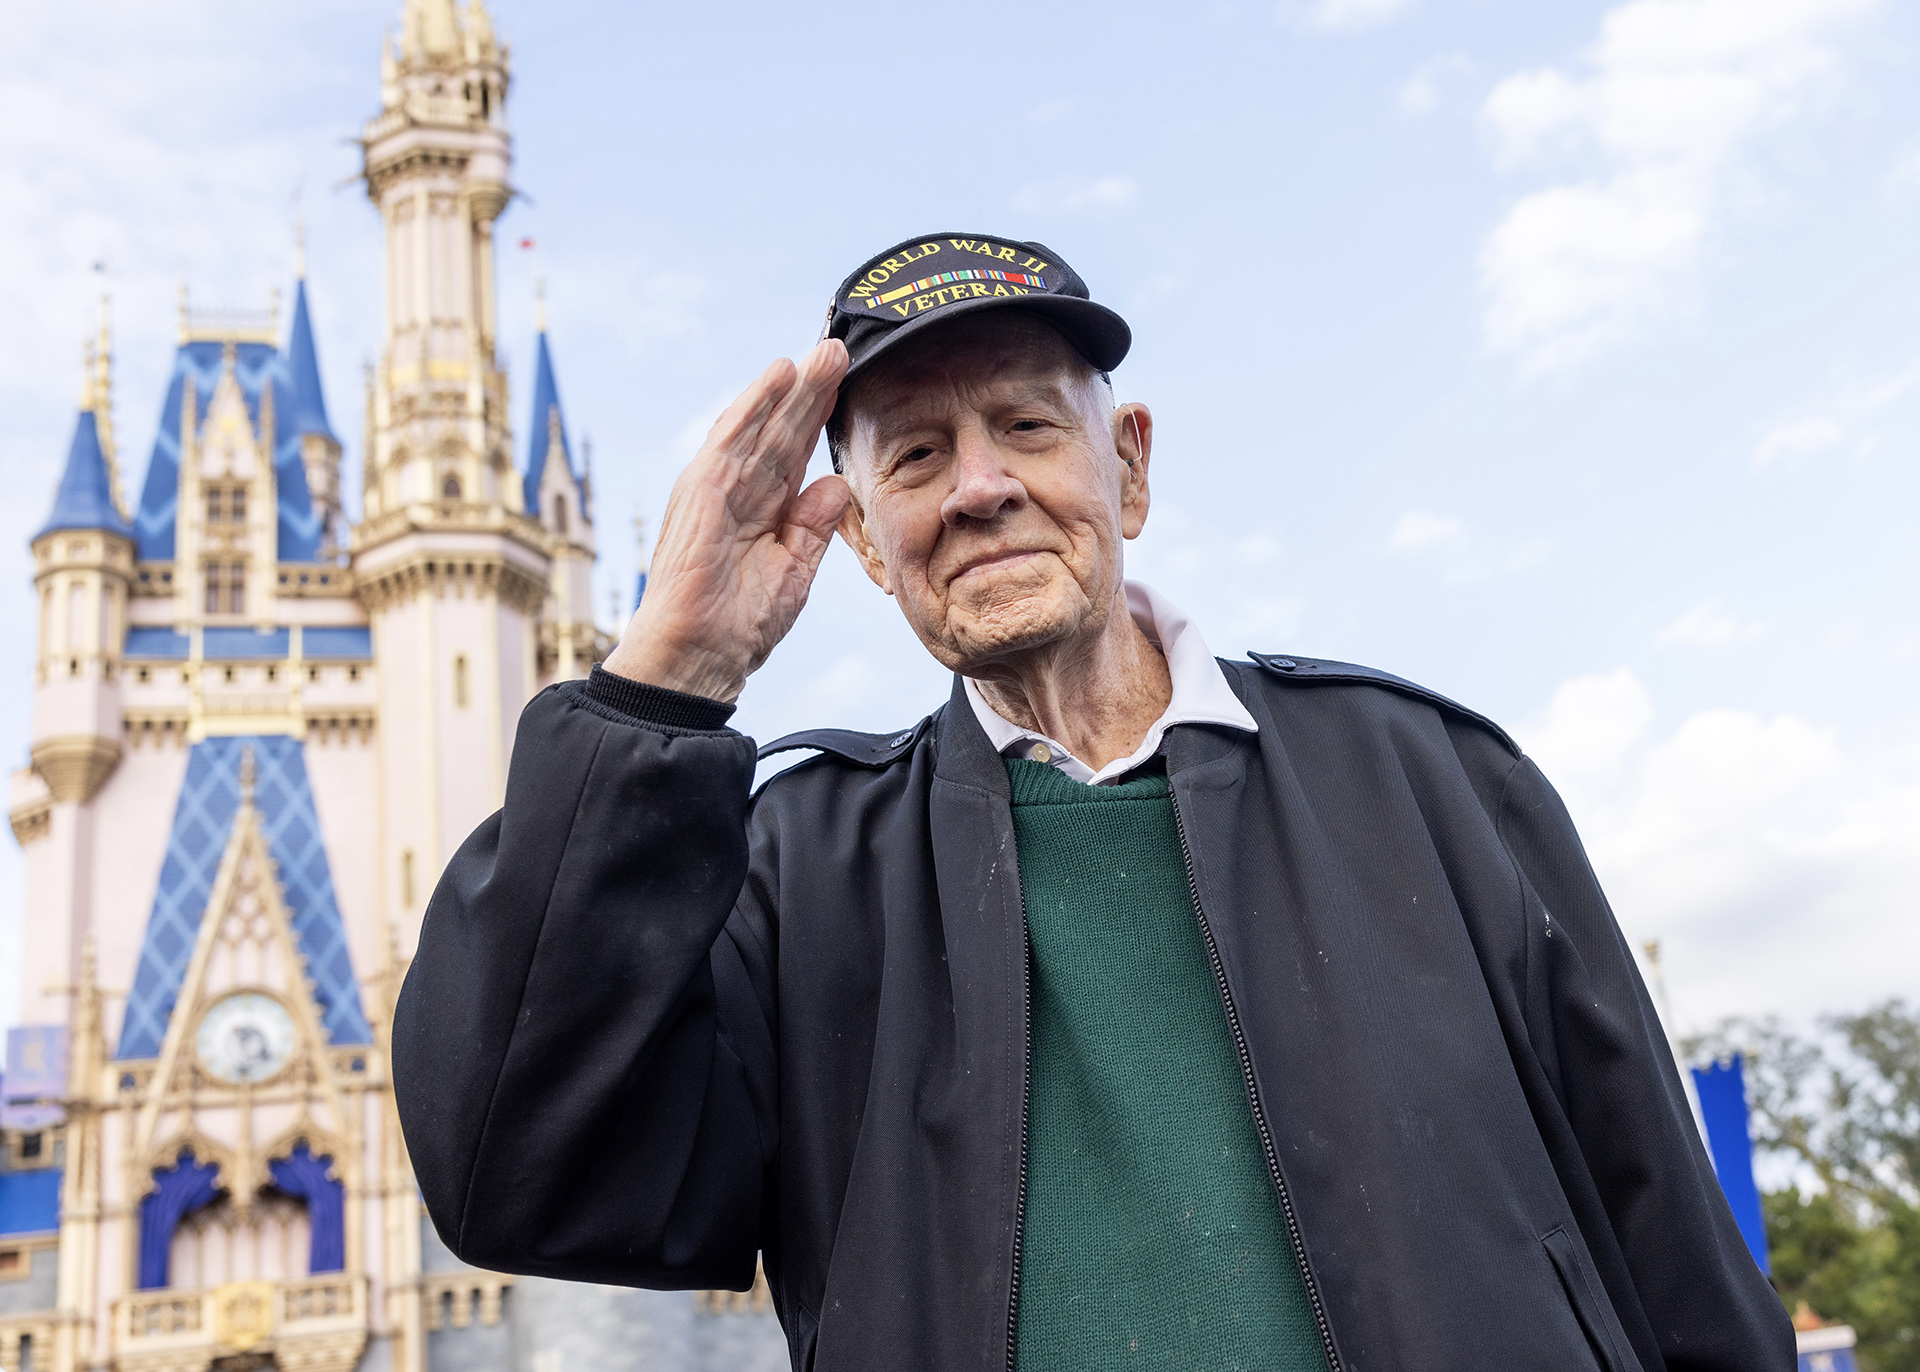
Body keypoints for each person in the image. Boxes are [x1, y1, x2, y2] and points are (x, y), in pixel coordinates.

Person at [393, 232, 1794, 1372]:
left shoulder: (1429, 778)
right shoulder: (798, 871)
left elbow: (1673, 1250)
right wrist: (666, 683)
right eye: (915, 456)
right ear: (864, 542)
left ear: (1127, 464)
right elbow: (522, 1171)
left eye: (1024, 426)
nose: (980, 488)